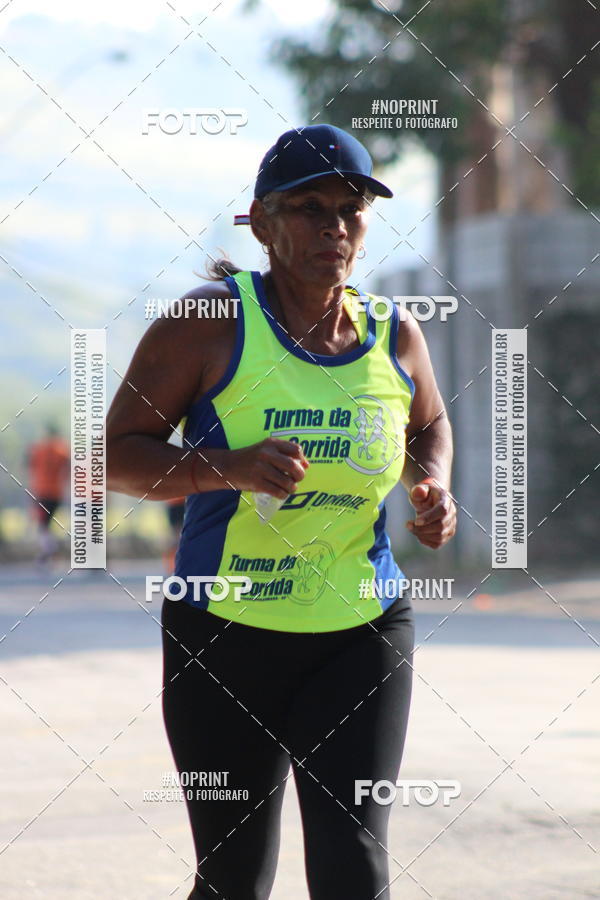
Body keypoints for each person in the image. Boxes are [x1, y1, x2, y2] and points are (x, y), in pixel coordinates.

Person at [106, 124, 456, 900]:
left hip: (361, 632)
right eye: (308, 208)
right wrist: (222, 468)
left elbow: (428, 425)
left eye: (351, 209)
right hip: (222, 639)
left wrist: (430, 487)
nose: (334, 225)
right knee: (234, 878)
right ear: (262, 223)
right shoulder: (209, 324)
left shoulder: (393, 332)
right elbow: (118, 456)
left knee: (353, 869)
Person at [26, 423, 69, 566]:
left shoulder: (38, 448)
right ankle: (50, 551)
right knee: (46, 523)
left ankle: (49, 550)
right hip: (56, 492)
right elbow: (69, 468)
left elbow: (28, 466)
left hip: (42, 491)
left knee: (43, 524)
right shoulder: (62, 449)